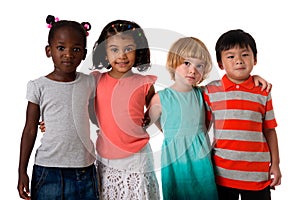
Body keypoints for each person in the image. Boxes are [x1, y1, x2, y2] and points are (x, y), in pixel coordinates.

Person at [17, 15, 99, 200]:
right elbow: (30, 129)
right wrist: (22, 171)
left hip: (83, 170)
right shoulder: (38, 86)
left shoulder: (89, 82)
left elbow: (96, 116)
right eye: (61, 48)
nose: (68, 54)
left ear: (84, 54)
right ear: (49, 50)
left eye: (76, 49)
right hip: (48, 170)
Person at [203, 29, 281, 200]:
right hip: (222, 174)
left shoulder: (263, 91)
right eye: (230, 56)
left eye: (245, 54)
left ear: (255, 59)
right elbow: (202, 127)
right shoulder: (210, 91)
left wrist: (275, 164)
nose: (238, 60)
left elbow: (269, 130)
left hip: (257, 176)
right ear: (221, 64)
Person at [91, 20, 160, 199]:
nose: (122, 55)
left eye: (128, 48)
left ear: (139, 51)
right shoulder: (96, 81)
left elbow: (156, 107)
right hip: (107, 155)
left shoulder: (144, 83)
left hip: (138, 157)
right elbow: (85, 109)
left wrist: (149, 119)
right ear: (104, 52)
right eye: (114, 49)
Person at [146, 37, 219, 200]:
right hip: (175, 161)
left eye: (199, 66)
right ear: (174, 62)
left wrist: (254, 77)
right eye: (187, 63)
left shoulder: (203, 94)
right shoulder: (161, 98)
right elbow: (143, 126)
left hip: (201, 160)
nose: (193, 70)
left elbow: (227, 86)